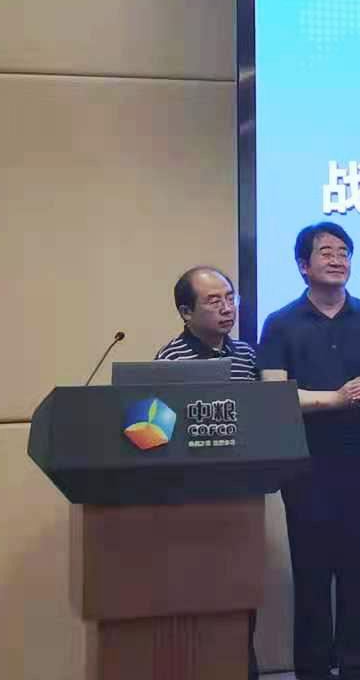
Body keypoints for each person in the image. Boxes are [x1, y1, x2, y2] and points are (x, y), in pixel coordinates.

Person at [258, 222, 360, 680]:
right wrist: (336, 398)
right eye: (326, 251)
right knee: (312, 575)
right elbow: (273, 395)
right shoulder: (280, 323)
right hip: (307, 465)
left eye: (344, 252)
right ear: (302, 265)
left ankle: (356, 668)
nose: (337, 259)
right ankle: (313, 670)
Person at [155, 265, 260, 679]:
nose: (227, 308)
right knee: (197, 593)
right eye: (214, 301)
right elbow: (162, 430)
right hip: (191, 498)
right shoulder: (170, 359)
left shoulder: (246, 354)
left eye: (230, 298)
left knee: (242, 592)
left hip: (241, 492)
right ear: (186, 312)